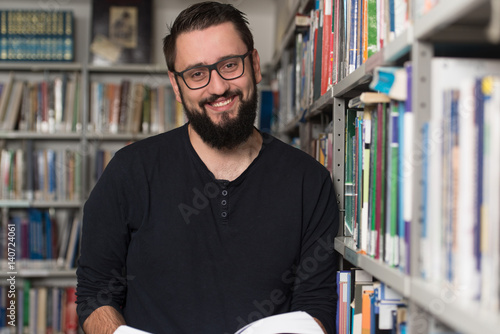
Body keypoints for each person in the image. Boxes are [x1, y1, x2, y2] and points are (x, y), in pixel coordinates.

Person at [76, 2, 339, 334]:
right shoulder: (128, 171)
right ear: (176, 85)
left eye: (230, 65)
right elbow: (94, 294)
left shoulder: (308, 182)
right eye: (197, 74)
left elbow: (317, 304)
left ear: (255, 65)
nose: (217, 88)